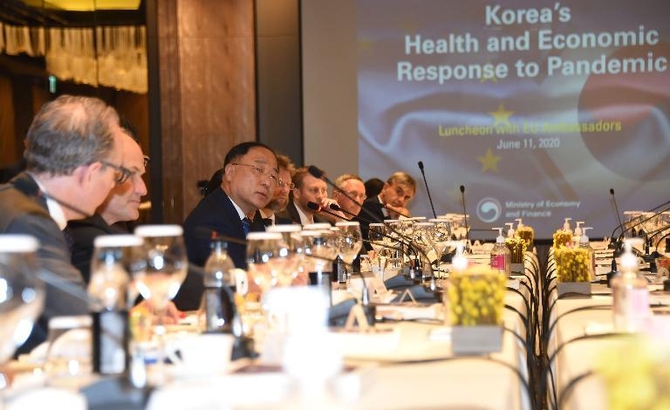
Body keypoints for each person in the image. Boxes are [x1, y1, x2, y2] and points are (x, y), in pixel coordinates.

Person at [0, 95, 125, 354]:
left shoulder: (13, 200)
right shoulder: (29, 222)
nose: (113, 184)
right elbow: (82, 317)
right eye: (115, 174)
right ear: (90, 173)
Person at [178, 142, 278, 310]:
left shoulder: (250, 219)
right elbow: (234, 280)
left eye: (273, 176)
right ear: (230, 172)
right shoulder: (211, 219)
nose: (267, 182)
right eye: (258, 169)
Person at [65, 128, 149, 283]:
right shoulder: (86, 241)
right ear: (93, 174)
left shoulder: (120, 229)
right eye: (130, 175)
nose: (143, 190)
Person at [360, 171, 417, 250]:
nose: (401, 200)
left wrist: (401, 219)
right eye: (399, 192)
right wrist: (400, 220)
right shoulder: (367, 208)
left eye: (407, 197)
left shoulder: (392, 212)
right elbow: (378, 246)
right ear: (385, 188)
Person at [276, 166, 343, 225]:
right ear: (296, 193)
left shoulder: (325, 221)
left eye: (323, 190)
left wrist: (339, 217)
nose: (320, 196)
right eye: (314, 190)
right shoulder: (282, 220)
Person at [259, 154, 295, 226]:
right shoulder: (246, 223)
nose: (285, 190)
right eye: (279, 183)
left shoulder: (287, 224)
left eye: (288, 184)